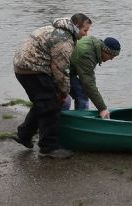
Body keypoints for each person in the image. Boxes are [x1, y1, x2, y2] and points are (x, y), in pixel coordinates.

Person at [12, 13, 92, 159]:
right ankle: (48, 148)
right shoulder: (64, 41)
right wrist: (63, 93)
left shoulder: (56, 29)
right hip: (32, 69)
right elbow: (61, 72)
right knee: (51, 106)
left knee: (42, 103)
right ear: (76, 26)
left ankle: (23, 135)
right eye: (85, 30)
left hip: (23, 67)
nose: (86, 34)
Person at [63, 36, 121, 119]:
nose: (111, 59)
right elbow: (89, 84)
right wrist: (102, 108)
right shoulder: (87, 55)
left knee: (82, 92)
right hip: (62, 72)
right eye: (112, 56)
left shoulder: (93, 42)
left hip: (69, 71)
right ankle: (79, 120)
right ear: (106, 51)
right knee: (79, 95)